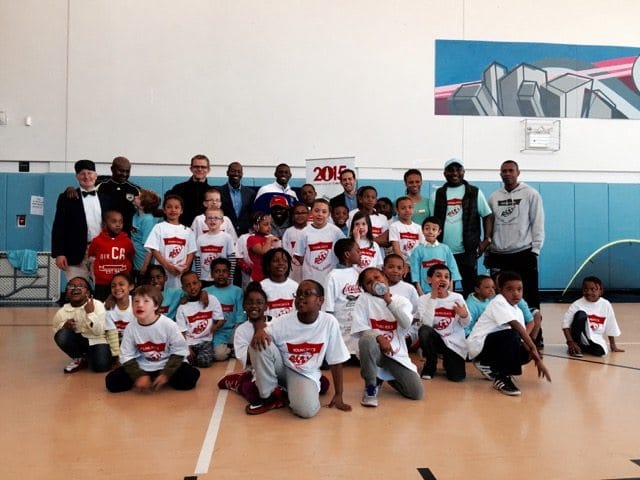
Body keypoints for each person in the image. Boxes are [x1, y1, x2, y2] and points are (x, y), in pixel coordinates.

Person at [246, 280, 352, 418]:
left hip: (304, 374)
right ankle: (269, 396)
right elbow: (261, 338)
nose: (301, 297)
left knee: (306, 411)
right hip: (281, 368)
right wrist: (260, 331)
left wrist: (339, 394)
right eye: (299, 294)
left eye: (307, 294)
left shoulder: (329, 322)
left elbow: (336, 360)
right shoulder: (283, 321)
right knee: (259, 342)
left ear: (320, 300)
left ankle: (286, 391)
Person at [467, 271, 550, 396]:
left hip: (495, 345)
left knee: (526, 351)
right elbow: (517, 328)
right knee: (512, 335)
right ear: (500, 290)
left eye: (519, 289)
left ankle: (494, 368)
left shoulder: (517, 311)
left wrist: (534, 355)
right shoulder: (498, 302)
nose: (516, 293)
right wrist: (535, 352)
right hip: (479, 346)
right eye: (510, 289)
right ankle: (502, 377)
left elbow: (522, 339)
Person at [105, 284, 201, 393]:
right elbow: (126, 355)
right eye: (136, 301)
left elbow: (179, 351)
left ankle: (161, 379)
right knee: (111, 382)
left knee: (189, 378)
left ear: (156, 306)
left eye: (146, 301)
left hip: (166, 364)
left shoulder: (169, 325)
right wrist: (138, 375)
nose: (140, 305)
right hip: (143, 366)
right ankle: (148, 379)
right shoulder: (130, 328)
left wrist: (166, 374)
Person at [351, 267, 424, 407]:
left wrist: (388, 301)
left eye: (377, 277)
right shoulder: (364, 300)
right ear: (365, 288)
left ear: (385, 277)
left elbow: (405, 323)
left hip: (395, 354)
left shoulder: (401, 301)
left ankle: (384, 376)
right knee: (367, 338)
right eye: (369, 282)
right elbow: (360, 329)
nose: (375, 282)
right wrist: (378, 336)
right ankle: (371, 387)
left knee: (416, 393)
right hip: (374, 352)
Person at [486, 160, 544, 309]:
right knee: (500, 299)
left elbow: (537, 222)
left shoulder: (531, 194)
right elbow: (489, 226)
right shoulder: (493, 197)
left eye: (511, 170)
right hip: (498, 254)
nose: (507, 174)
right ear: (500, 174)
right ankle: (506, 330)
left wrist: (535, 250)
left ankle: (534, 333)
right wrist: (488, 250)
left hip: (523, 253)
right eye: (504, 171)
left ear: (518, 173)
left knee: (529, 297)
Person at [432, 158, 493, 298]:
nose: (454, 173)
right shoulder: (437, 194)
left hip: (468, 251)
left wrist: (486, 240)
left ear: (463, 172)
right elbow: (432, 221)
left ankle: (468, 318)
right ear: (444, 173)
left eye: (458, 169)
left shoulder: (474, 192)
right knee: (444, 289)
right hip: (444, 250)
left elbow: (488, 216)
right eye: (450, 170)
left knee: (470, 289)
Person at [52, 159, 113, 282]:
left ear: (96, 175)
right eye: (82, 174)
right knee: (78, 287)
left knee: (102, 288)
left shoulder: (107, 198)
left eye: (90, 173)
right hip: (74, 251)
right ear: (77, 177)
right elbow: (59, 226)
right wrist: (59, 253)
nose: (86, 177)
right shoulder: (67, 198)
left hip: (101, 251)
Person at [417, 264, 470, 381]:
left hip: (453, 342)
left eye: (446, 277)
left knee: (457, 377)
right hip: (434, 339)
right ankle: (430, 363)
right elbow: (426, 324)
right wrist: (433, 298)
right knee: (424, 330)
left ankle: (448, 360)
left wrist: (464, 315)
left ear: (450, 281)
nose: (442, 279)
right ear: (429, 279)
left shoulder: (457, 298)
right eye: (438, 276)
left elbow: (465, 324)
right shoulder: (423, 300)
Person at [52, 276, 111, 374]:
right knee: (62, 335)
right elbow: (56, 332)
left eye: (81, 286)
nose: (76, 288)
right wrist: (64, 325)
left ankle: (91, 357)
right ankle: (79, 357)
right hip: (79, 341)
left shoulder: (97, 305)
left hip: (97, 340)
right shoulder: (62, 312)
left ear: (87, 293)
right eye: (71, 286)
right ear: (66, 294)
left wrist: (91, 313)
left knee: (100, 367)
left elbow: (99, 331)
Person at [144, 194, 196, 289]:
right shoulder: (159, 227)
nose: (173, 210)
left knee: (179, 297)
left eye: (176, 207)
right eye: (169, 207)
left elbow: (191, 252)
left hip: (180, 273)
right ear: (164, 210)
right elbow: (154, 249)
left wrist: (186, 266)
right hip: (162, 271)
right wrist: (167, 266)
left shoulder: (188, 231)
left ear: (181, 211)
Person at [562, 276, 623, 357]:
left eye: (593, 289)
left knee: (600, 351)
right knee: (580, 314)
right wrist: (570, 342)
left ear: (601, 291)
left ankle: (582, 348)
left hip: (595, 338)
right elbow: (565, 325)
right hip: (579, 337)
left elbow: (611, 325)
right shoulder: (577, 304)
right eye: (585, 289)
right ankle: (576, 345)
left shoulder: (606, 304)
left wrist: (613, 345)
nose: (589, 292)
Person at [176, 271, 226, 366]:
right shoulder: (182, 307)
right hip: (189, 343)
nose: (192, 287)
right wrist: (187, 348)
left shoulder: (211, 299)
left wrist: (214, 327)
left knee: (204, 361)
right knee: (181, 361)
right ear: (183, 288)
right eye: (188, 285)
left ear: (200, 284)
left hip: (205, 342)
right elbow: (181, 332)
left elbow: (220, 320)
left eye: (194, 283)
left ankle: (195, 360)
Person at [323, 238, 363, 356]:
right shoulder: (332, 277)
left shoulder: (358, 273)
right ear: (347, 254)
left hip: (356, 325)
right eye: (358, 251)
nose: (360, 254)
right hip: (340, 327)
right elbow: (328, 309)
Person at [294, 199, 345, 284]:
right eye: (316, 211)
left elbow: (344, 251)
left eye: (324, 212)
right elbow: (299, 256)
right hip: (311, 278)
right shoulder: (304, 232)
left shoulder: (336, 231)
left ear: (329, 214)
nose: (320, 214)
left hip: (331, 278)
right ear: (311, 212)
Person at [87, 210, 134, 301]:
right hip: (102, 283)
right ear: (104, 224)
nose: (118, 224)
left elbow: (130, 255)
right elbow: (91, 255)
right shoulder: (97, 241)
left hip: (121, 283)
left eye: (120, 222)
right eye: (114, 221)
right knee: (101, 309)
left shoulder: (127, 241)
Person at [409, 216, 461, 296]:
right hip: (426, 292)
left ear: (439, 232)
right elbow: (415, 273)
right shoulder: (417, 250)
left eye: (434, 229)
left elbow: (452, 269)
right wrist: (420, 292)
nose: (430, 232)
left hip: (445, 291)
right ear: (422, 231)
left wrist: (450, 290)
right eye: (427, 229)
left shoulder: (445, 248)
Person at [204, 258, 244, 359]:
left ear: (229, 274)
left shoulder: (237, 291)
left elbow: (240, 316)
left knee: (245, 345)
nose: (221, 274)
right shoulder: (205, 292)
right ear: (212, 274)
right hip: (217, 333)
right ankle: (231, 351)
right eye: (217, 271)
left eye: (224, 271)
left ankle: (233, 348)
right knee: (219, 355)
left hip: (233, 330)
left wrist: (238, 332)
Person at [382, 254, 420, 351]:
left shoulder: (409, 288)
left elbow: (417, 313)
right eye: (391, 267)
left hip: (405, 330)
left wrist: (403, 325)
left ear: (404, 270)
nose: (395, 271)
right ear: (383, 268)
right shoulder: (378, 288)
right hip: (382, 327)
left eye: (399, 268)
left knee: (397, 343)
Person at [95, 156, 141, 235]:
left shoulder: (135, 190)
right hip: (104, 234)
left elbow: (148, 209)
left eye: (127, 171)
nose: (124, 174)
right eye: (121, 171)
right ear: (112, 169)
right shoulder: (100, 187)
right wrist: (70, 189)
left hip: (127, 236)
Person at [165, 154, 212, 226]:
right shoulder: (178, 189)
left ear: (208, 170)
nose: (199, 169)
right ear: (191, 169)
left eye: (203, 167)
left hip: (205, 231)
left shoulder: (212, 191)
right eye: (196, 166)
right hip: (183, 231)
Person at [196, 207, 235, 287]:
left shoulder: (227, 238)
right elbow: (197, 260)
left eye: (216, 218)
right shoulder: (200, 239)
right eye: (209, 218)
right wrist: (198, 277)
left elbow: (232, 259)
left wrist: (230, 277)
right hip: (204, 279)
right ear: (205, 221)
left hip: (222, 278)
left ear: (222, 221)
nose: (212, 220)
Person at [103, 272, 136, 361]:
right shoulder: (107, 306)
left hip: (133, 343)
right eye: (113, 286)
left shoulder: (137, 303)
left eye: (121, 284)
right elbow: (111, 333)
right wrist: (118, 358)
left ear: (131, 287)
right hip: (114, 343)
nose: (117, 288)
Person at [218, 162, 257, 236]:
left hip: (245, 233)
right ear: (227, 173)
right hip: (225, 232)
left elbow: (251, 213)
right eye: (233, 171)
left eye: (239, 172)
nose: (236, 174)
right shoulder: (219, 192)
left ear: (242, 174)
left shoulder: (250, 193)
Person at [131, 188, 161, 281]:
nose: (135, 197)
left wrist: (145, 267)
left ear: (143, 205)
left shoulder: (147, 220)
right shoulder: (136, 215)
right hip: (135, 259)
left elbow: (149, 248)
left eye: (139, 198)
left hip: (142, 262)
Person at [389, 196, 424, 273]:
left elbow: (421, 248)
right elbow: (396, 248)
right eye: (403, 208)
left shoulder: (419, 228)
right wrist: (403, 264)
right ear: (397, 210)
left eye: (410, 207)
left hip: (416, 265)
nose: (407, 210)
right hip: (401, 265)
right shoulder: (394, 226)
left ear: (413, 209)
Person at [260, 248, 298, 319]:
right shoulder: (261, 287)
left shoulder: (295, 286)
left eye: (285, 261)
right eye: (275, 261)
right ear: (268, 265)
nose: (281, 263)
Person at [247, 211, 280, 282]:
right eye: (266, 224)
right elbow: (264, 252)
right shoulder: (252, 239)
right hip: (258, 276)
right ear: (256, 226)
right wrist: (269, 240)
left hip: (271, 275)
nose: (269, 227)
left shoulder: (271, 238)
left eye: (270, 224)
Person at [282, 203, 309, 283]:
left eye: (303, 213)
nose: (300, 215)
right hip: (293, 270)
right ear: (293, 215)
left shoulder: (312, 230)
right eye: (297, 213)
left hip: (309, 269)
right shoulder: (288, 232)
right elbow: (285, 252)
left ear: (308, 214)